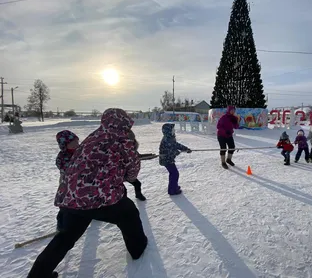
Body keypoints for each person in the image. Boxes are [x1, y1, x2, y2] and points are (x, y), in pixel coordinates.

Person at [27, 108, 148, 278]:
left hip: (73, 198)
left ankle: (37, 275)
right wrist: (125, 174)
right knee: (129, 213)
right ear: (126, 122)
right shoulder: (124, 140)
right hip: (101, 198)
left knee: (65, 237)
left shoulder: (93, 136)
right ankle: (138, 248)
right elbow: (132, 172)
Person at [55, 130, 79, 232]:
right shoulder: (62, 156)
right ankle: (61, 224)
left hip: (81, 182)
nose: (76, 145)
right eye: (72, 143)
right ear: (64, 145)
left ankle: (89, 215)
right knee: (64, 204)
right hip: (67, 183)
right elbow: (62, 167)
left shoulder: (81, 151)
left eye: (77, 142)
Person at [159, 123, 191, 195]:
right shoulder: (167, 139)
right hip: (166, 159)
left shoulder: (170, 137)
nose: (173, 131)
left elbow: (176, 145)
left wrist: (186, 149)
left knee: (173, 173)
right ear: (168, 131)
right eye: (172, 130)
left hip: (168, 159)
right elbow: (171, 151)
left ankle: (173, 187)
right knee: (175, 174)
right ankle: (172, 190)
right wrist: (176, 152)